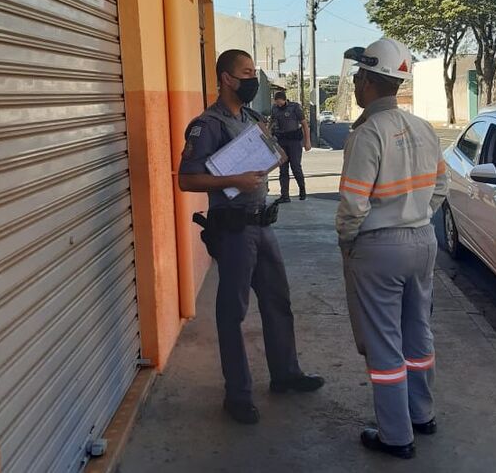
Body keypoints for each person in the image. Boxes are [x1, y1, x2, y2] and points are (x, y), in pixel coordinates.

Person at [178, 49, 324, 425]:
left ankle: (285, 373)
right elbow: (187, 179)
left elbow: (270, 156)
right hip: (233, 230)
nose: (251, 80)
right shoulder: (206, 124)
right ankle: (238, 395)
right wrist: (233, 180)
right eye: (245, 73)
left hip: (263, 224)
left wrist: (274, 156)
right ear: (227, 78)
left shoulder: (253, 118)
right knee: (233, 313)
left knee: (278, 301)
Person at [336, 38, 448, 459]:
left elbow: (352, 203)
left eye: (359, 76)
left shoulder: (368, 134)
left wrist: (349, 242)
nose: (358, 82)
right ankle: (423, 414)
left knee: (383, 343)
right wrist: (418, 213)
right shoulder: (422, 128)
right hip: (422, 241)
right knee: (418, 332)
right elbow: (442, 186)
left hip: (379, 248)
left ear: (367, 79)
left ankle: (396, 436)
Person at [270, 91, 311, 203]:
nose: (279, 105)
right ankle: (285, 195)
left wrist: (307, 141)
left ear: (284, 100)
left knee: (295, 167)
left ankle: (302, 190)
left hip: (294, 141)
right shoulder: (274, 109)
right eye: (277, 103)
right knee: (283, 169)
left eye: (280, 103)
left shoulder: (294, 108)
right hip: (281, 140)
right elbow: (272, 122)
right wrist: (269, 134)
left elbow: (304, 124)